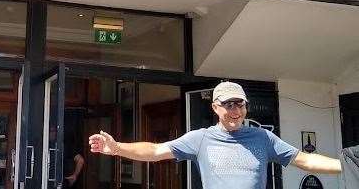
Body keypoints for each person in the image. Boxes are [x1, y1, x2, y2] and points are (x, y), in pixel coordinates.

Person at [89, 81, 342, 189]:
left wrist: (347, 167)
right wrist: (117, 148)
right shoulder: (201, 138)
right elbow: (156, 151)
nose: (235, 110)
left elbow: (304, 160)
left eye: (239, 104)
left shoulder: (263, 138)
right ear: (215, 108)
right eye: (228, 104)